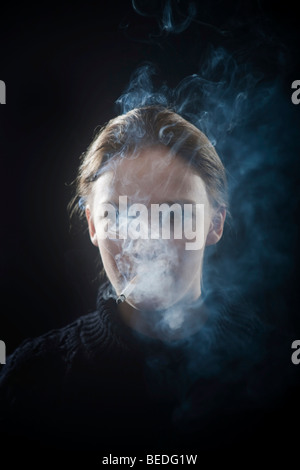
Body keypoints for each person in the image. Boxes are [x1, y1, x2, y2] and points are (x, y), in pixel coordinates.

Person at [0, 105, 262, 452]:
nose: (148, 238)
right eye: (120, 213)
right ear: (93, 225)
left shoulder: (272, 366)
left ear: (215, 223)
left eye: (175, 213)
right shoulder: (35, 379)